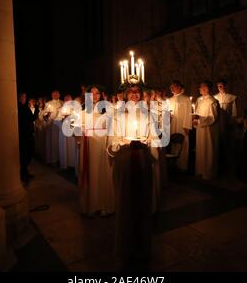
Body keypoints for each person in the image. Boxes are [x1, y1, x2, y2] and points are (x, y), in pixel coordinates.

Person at [108, 84, 162, 268]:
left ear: (141, 95)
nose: (133, 95)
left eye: (137, 92)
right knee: (125, 203)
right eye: (130, 92)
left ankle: (142, 247)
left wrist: (147, 143)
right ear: (125, 95)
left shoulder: (148, 115)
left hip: (142, 161)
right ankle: (125, 246)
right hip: (125, 162)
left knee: (141, 204)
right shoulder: (117, 115)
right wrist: (122, 143)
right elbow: (112, 141)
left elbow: (155, 139)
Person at [77, 85, 115, 217]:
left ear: (101, 95)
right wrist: (80, 132)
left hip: (101, 145)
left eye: (97, 93)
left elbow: (112, 129)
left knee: (102, 173)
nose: (94, 96)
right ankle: (91, 205)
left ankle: (104, 204)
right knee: (91, 173)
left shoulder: (107, 111)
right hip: (88, 145)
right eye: (91, 93)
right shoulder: (82, 112)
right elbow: (76, 128)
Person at [193, 81, 220, 180]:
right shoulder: (199, 100)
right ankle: (200, 170)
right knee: (201, 149)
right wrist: (195, 120)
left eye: (201, 87)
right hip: (200, 130)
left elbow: (213, 117)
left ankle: (208, 172)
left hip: (209, 131)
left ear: (206, 88)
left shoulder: (212, 101)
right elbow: (196, 113)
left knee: (208, 149)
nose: (199, 89)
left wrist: (200, 121)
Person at [214, 79, 238, 179]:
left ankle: (228, 167)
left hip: (227, 124)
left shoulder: (231, 97)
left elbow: (234, 112)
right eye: (219, 86)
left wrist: (231, 122)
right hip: (217, 124)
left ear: (225, 86)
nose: (221, 88)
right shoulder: (215, 97)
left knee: (227, 144)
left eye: (222, 86)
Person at [168, 80, 193, 171]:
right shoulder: (169, 100)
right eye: (171, 87)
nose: (171, 89)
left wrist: (187, 126)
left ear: (179, 87)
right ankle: (173, 165)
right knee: (173, 143)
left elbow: (188, 114)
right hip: (173, 124)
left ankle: (182, 165)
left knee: (183, 143)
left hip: (182, 125)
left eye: (173, 87)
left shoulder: (185, 99)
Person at [18, 92, 39, 183]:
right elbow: (31, 118)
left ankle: (25, 171)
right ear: (19, 98)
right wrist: (37, 109)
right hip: (23, 134)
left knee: (30, 152)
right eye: (23, 97)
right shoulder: (19, 107)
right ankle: (23, 173)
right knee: (25, 154)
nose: (24, 98)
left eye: (25, 97)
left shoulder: (26, 107)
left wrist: (36, 110)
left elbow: (32, 118)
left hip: (28, 133)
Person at [42, 90, 63, 165]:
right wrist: (46, 115)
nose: (55, 95)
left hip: (61, 125)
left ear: (59, 95)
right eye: (54, 94)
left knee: (61, 143)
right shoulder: (48, 104)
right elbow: (44, 115)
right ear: (51, 95)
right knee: (53, 142)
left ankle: (61, 159)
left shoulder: (62, 103)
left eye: (57, 94)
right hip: (52, 125)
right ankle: (53, 160)